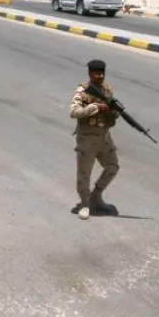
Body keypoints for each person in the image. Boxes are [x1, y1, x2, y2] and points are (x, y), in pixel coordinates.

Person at [68, 58, 122, 220]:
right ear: (90, 73)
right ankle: (85, 203)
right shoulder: (82, 91)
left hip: (104, 137)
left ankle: (96, 196)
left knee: (112, 166)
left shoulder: (107, 90)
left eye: (102, 73)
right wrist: (96, 107)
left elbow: (113, 109)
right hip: (87, 139)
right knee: (84, 173)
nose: (99, 76)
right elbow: (74, 112)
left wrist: (114, 112)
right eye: (96, 73)